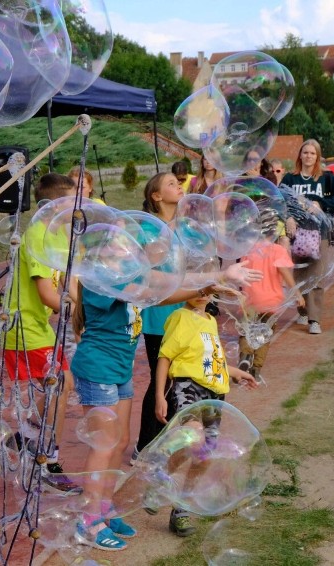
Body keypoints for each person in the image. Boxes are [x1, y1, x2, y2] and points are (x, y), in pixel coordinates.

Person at [70, 255, 262, 551]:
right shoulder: (100, 280)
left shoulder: (123, 274)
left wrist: (221, 274)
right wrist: (210, 284)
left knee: (119, 443)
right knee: (103, 444)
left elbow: (165, 284)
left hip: (119, 371)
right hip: (98, 369)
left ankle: (104, 509)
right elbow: (152, 293)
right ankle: (89, 520)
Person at [154, 290, 258, 538]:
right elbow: (164, 357)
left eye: (207, 291)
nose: (202, 295)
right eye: (197, 289)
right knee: (193, 436)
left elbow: (213, 359)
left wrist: (235, 372)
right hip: (188, 386)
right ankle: (159, 478)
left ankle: (179, 508)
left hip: (215, 392)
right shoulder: (180, 316)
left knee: (203, 456)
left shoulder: (210, 321)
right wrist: (159, 395)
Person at [3, 172, 80, 493]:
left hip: (38, 327)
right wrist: (78, 310)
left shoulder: (59, 236)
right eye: (73, 201)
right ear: (55, 204)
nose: (78, 208)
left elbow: (66, 283)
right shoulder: (37, 234)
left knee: (61, 385)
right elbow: (48, 293)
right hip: (24, 328)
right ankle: (47, 462)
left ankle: (27, 437)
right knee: (59, 386)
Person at [132, 172, 184, 464]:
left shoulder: (188, 228)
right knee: (160, 381)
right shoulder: (148, 230)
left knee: (179, 380)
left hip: (185, 312)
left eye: (180, 183)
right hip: (158, 316)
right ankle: (144, 446)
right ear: (156, 196)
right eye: (172, 184)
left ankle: (165, 443)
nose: (179, 187)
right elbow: (146, 268)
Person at [282, 139, 334, 333]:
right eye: (305, 153)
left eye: (312, 153)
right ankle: (303, 311)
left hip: (321, 233)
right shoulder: (290, 179)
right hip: (297, 234)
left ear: (317, 157)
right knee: (300, 274)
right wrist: (288, 218)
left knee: (317, 275)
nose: (308, 156)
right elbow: (280, 200)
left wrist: (321, 204)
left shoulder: (326, 179)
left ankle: (315, 320)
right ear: (300, 155)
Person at [238, 210, 304, 382]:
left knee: (247, 330)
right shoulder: (278, 251)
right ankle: (256, 369)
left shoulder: (248, 250)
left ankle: (245, 356)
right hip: (271, 302)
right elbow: (285, 273)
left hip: (251, 299)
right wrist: (297, 293)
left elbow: (241, 273)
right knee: (264, 335)